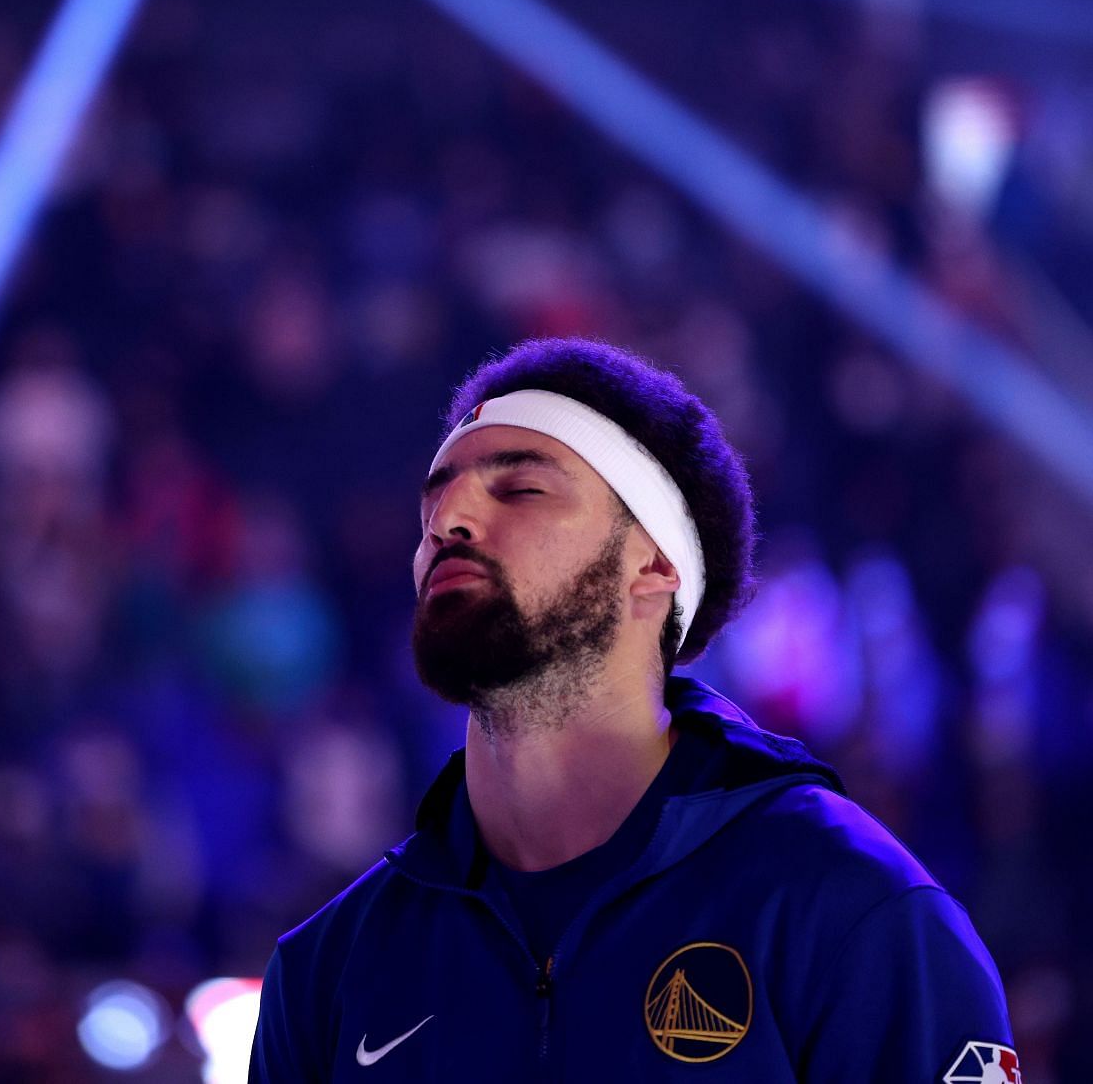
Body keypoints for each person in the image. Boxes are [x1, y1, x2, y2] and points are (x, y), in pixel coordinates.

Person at [249, 338, 1018, 1083]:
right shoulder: (330, 969)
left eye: (520, 488)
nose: (448, 519)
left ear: (652, 564)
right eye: (434, 498)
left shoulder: (848, 912)